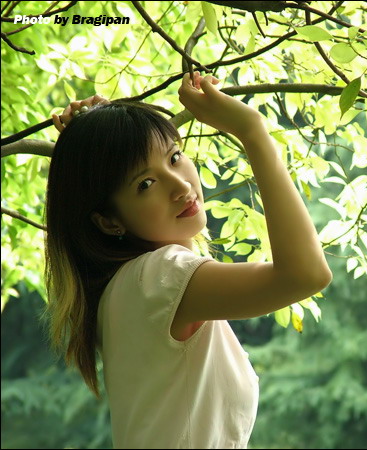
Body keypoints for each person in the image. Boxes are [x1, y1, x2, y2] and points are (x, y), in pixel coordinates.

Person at [44, 72, 332, 449]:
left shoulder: (127, 290)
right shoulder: (158, 278)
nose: (180, 186)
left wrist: (100, 128)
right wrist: (252, 130)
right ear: (109, 221)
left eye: (174, 157)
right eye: (145, 184)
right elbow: (305, 275)